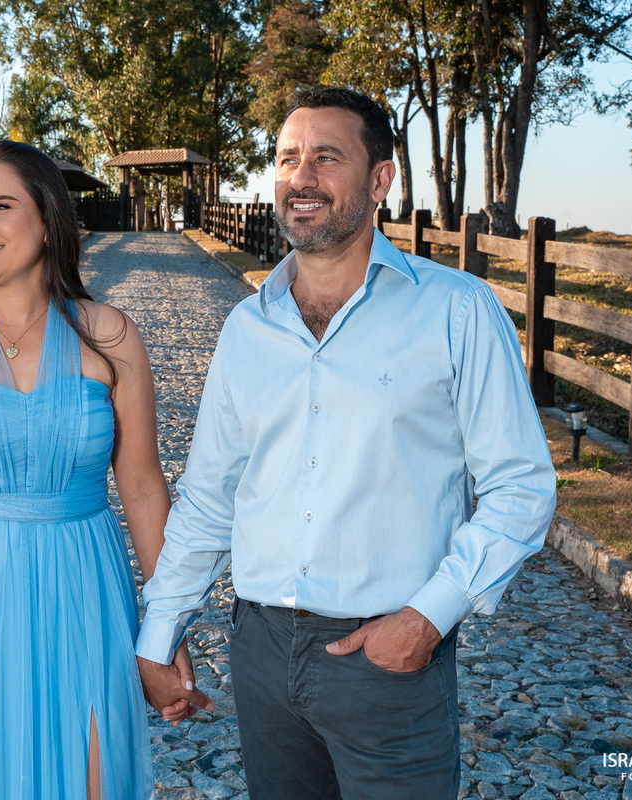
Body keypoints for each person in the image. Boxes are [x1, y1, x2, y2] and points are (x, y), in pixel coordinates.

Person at [135, 86, 558, 799]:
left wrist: (426, 619)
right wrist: (159, 631)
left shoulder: (456, 310)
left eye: (326, 158)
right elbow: (210, 497)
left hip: (387, 658)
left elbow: (521, 488)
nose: (301, 178)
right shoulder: (248, 328)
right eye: (286, 159)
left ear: (381, 179)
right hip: (262, 651)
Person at [0, 139, 204, 800]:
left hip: (83, 589)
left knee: (87, 775)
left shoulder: (109, 337)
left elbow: (141, 487)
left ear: (47, 217)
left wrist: (166, 633)